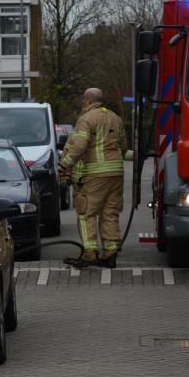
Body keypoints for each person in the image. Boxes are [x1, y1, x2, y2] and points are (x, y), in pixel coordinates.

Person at [60, 88, 128, 269]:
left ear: (88, 100)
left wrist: (64, 165)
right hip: (116, 173)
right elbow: (123, 146)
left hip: (95, 174)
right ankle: (110, 254)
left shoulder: (86, 119)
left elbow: (79, 146)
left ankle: (89, 254)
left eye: (84, 99)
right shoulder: (116, 118)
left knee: (86, 213)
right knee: (110, 213)